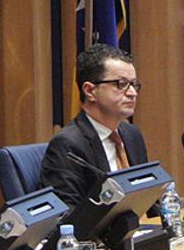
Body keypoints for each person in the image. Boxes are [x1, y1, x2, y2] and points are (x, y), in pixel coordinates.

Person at [40, 43, 151, 206]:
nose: (132, 93)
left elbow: (147, 198)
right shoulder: (68, 146)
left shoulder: (131, 134)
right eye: (121, 84)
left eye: (134, 84)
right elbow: (67, 212)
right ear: (90, 91)